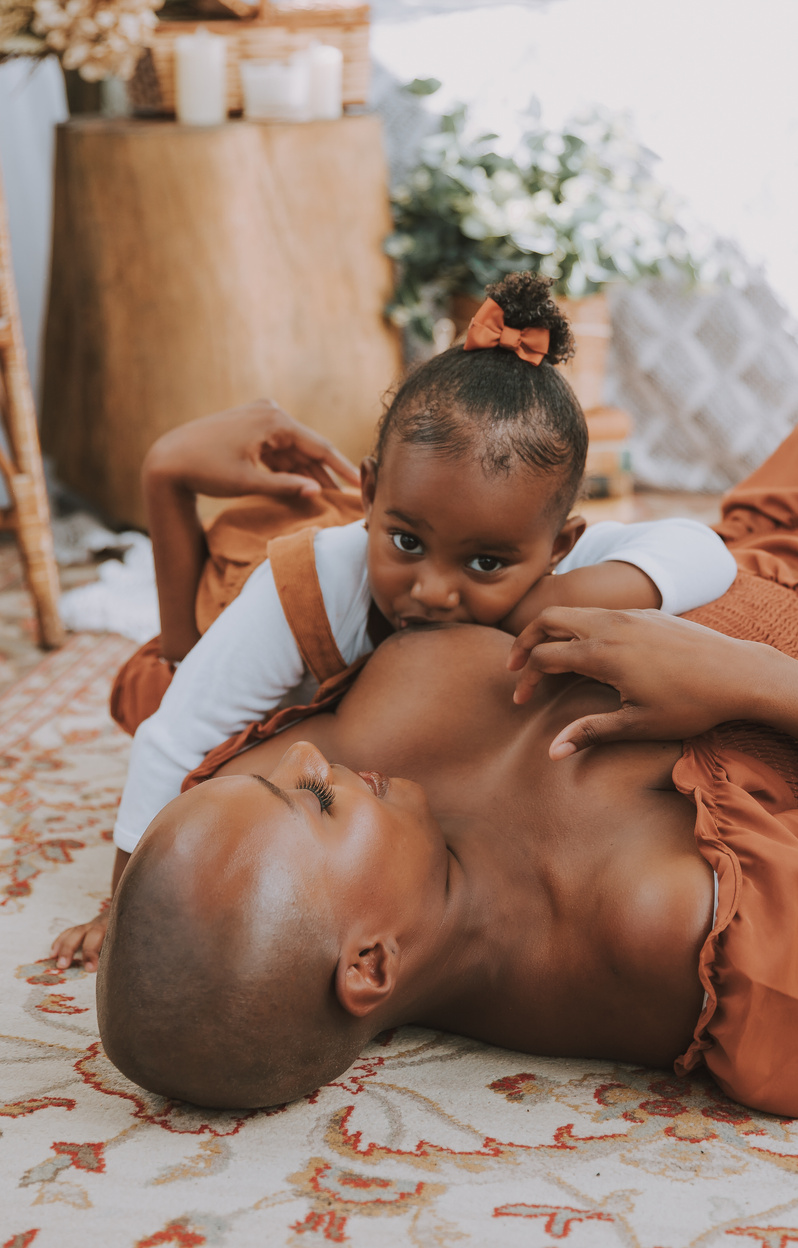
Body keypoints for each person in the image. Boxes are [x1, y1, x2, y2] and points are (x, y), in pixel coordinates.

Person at [96, 387, 798, 1119]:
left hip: (747, 538)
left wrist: (166, 486)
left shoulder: (276, 807)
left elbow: (174, 696)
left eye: (265, 774)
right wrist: (748, 679)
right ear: (370, 963)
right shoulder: (667, 930)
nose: (304, 760)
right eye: (312, 799)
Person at [53, 273, 734, 970]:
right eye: (407, 542)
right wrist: (120, 906)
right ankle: (170, 475)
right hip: (239, 607)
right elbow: (175, 737)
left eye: (485, 563)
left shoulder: (538, 558)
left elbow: (707, 550)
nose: (435, 592)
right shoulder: (311, 582)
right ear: (372, 493)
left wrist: (550, 598)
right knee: (167, 689)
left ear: (558, 546)